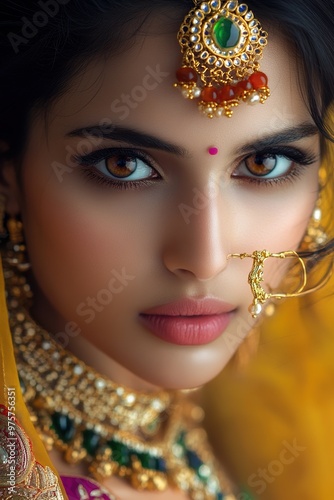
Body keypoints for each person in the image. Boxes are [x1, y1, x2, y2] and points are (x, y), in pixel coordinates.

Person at [0, 0, 333, 498]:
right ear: (9, 179)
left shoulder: (222, 438)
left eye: (265, 163)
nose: (206, 257)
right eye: (124, 166)